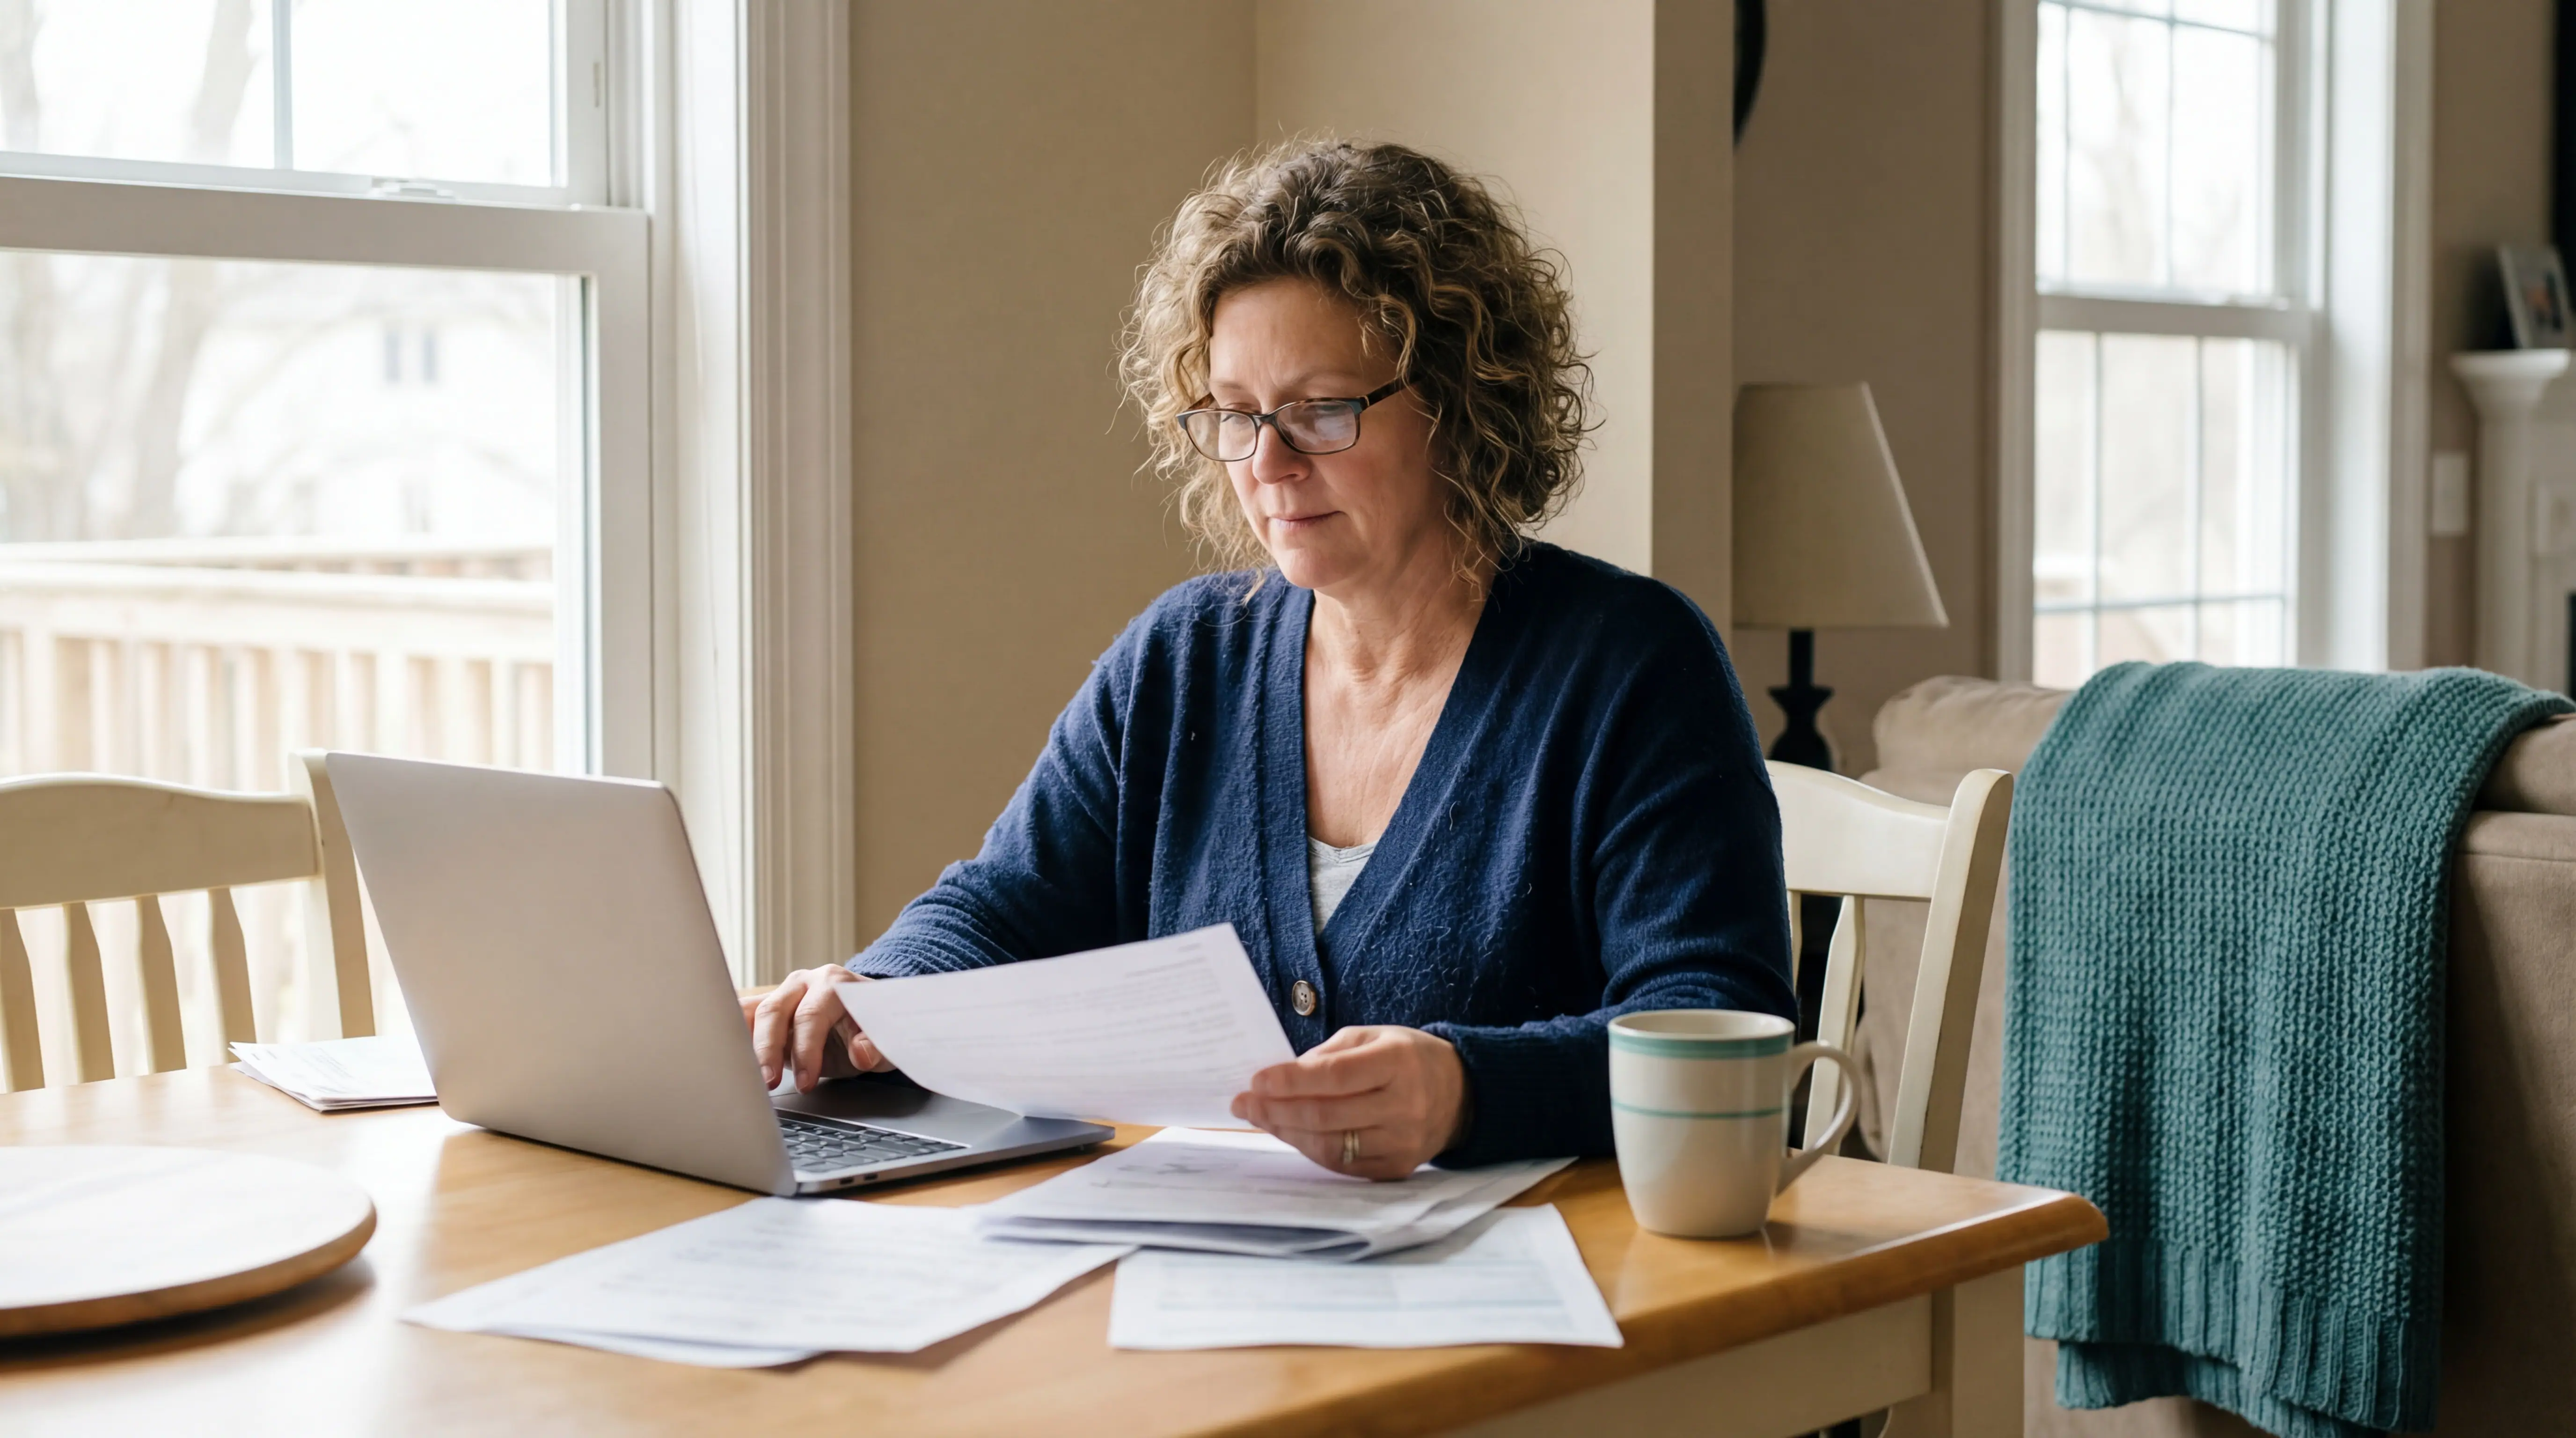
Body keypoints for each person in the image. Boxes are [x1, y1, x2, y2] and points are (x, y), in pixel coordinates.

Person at [747, 138, 1793, 1178]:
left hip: (1551, 1294)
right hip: (1201, 1280)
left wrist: (1467, 1090)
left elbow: (1717, 1018)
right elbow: (1002, 906)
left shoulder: (1629, 666)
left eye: (1321, 411)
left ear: (1461, 405)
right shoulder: (1182, 656)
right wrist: (876, 993)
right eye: (1237, 416)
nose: (1269, 464)